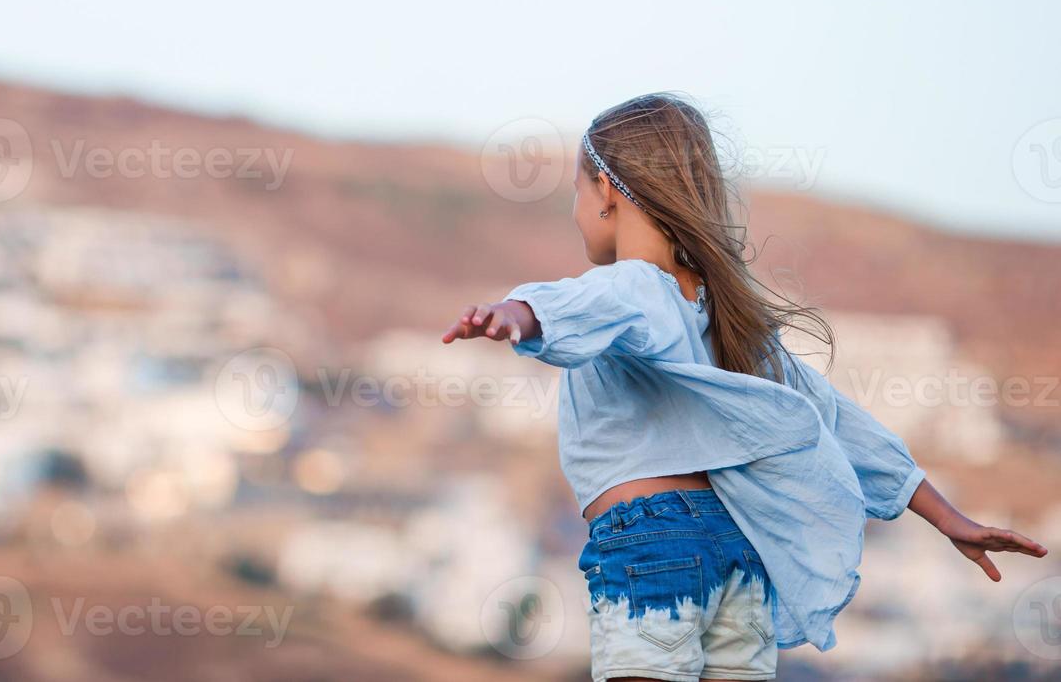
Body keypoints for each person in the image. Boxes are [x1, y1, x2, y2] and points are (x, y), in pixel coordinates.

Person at [442, 93, 1047, 682]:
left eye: (575, 192)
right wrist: (948, 518)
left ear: (605, 191)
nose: (575, 211)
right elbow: (835, 421)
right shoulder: (730, 321)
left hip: (652, 547)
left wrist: (512, 314)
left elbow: (568, 304)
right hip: (739, 551)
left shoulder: (634, 287)